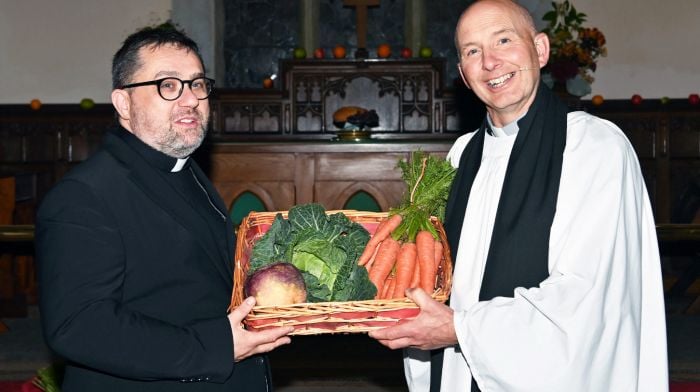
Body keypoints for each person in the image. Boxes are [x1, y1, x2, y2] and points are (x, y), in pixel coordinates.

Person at [368, 1, 668, 391]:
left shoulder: (593, 147)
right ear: (463, 73)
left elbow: (588, 297)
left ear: (540, 50)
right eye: (472, 51)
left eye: (504, 40)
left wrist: (459, 328)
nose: (490, 62)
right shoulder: (462, 155)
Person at [35, 25, 293, 391]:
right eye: (167, 85)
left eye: (197, 84)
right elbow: (79, 326)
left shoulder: (185, 170)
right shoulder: (83, 196)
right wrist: (218, 346)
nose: (190, 99)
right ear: (124, 103)